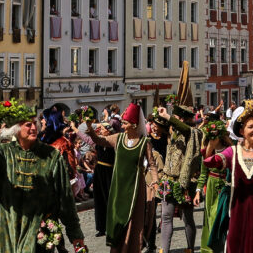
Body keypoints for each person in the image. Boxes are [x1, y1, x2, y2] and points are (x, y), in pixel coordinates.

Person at [0, 99, 86, 253]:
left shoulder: (51, 156)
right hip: (7, 229)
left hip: (37, 230)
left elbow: (64, 197)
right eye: (28, 124)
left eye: (34, 123)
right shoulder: (4, 152)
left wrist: (75, 234)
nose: (33, 128)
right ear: (16, 129)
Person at [202, 102, 253, 253]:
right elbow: (210, 162)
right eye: (250, 127)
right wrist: (211, 145)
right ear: (241, 131)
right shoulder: (233, 152)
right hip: (238, 214)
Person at [88, 103, 155, 253]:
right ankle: (117, 248)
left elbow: (152, 164)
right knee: (117, 218)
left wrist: (155, 181)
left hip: (136, 188)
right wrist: (90, 129)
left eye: (125, 123)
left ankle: (131, 248)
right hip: (118, 186)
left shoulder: (145, 142)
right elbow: (100, 141)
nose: (122, 125)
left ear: (134, 124)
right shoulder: (118, 138)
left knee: (133, 220)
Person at [155, 104, 200, 253]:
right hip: (168, 179)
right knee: (166, 217)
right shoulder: (172, 132)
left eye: (176, 118)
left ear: (182, 119)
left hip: (184, 181)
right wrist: (161, 115)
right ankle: (164, 250)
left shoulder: (191, 132)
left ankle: (190, 248)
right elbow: (160, 124)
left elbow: (185, 128)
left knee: (187, 218)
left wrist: (168, 116)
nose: (173, 120)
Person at [194, 115, 230, 253]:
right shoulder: (205, 151)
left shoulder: (229, 149)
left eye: (216, 135)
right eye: (212, 135)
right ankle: (211, 249)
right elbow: (203, 173)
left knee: (222, 218)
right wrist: (198, 191)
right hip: (211, 187)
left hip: (226, 186)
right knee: (211, 218)